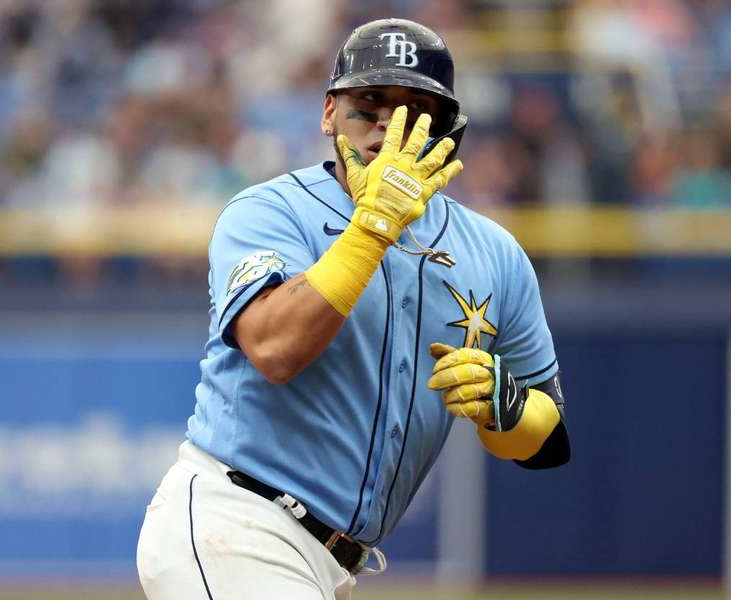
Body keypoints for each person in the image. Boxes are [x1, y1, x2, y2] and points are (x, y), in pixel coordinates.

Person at [136, 17, 570, 600]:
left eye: (415, 113)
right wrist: (373, 229)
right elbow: (274, 348)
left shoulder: (494, 253)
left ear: (448, 130)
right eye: (368, 107)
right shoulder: (268, 212)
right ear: (327, 115)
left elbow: (550, 441)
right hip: (236, 521)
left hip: (337, 563)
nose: (388, 130)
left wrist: (508, 408)